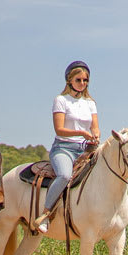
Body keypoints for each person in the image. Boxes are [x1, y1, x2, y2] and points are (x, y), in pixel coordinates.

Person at [35, 61, 100, 231]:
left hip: (85, 150)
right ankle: (46, 214)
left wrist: (95, 135)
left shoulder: (90, 103)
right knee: (64, 175)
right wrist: (83, 134)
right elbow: (60, 129)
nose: (82, 83)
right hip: (63, 148)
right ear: (69, 80)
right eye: (79, 80)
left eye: (85, 80)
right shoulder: (61, 100)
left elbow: (94, 126)